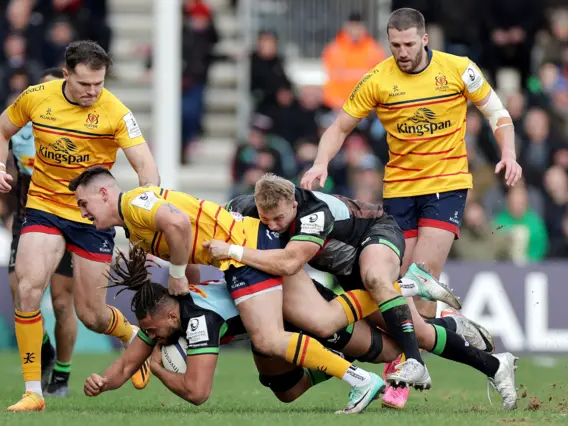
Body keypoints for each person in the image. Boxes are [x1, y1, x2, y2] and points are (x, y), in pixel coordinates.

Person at [300, 7, 522, 409]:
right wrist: (321, 162)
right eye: (394, 45)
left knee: (416, 281)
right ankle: (475, 346)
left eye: (407, 44)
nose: (401, 52)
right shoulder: (378, 78)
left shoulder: (458, 69)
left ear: (424, 39)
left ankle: (402, 381)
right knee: (401, 300)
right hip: (399, 192)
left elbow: (498, 113)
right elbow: (339, 127)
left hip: (446, 186)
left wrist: (508, 152)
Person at [69, 166, 396, 413]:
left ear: (103, 194)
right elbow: (128, 363)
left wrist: (178, 276)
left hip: (243, 247)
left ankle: (360, 380)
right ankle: (398, 291)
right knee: (286, 385)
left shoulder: (136, 203)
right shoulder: (138, 236)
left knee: (272, 337)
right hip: (241, 251)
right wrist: (104, 383)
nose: (83, 212)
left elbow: (179, 224)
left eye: (84, 203)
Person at [208, 174, 516, 410]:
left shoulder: (313, 214)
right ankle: (492, 362)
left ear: (293, 204)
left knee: (375, 278)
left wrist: (233, 251)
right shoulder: (242, 208)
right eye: (267, 220)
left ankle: (415, 349)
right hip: (347, 272)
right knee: (418, 333)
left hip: (377, 234)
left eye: (279, 219)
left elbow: (289, 263)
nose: (273, 226)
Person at [0, 41, 160, 412]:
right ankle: (34, 391)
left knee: (91, 315)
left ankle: (131, 335)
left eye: (99, 83)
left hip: (92, 216)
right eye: (85, 84)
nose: (93, 92)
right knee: (28, 290)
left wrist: (145, 213)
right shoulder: (36, 97)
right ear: (66, 74)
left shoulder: (115, 111)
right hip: (44, 206)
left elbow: (146, 166)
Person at [84, 244, 403, 410]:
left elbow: (197, 393)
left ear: (168, 317)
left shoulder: (198, 321)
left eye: (151, 331)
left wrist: (159, 369)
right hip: (275, 328)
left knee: (389, 348)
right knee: (288, 392)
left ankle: (405, 289)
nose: (150, 338)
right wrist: (103, 382)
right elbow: (127, 364)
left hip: (298, 310)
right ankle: (337, 360)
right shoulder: (165, 319)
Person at [0, 68, 77, 397]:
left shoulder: (77, 129)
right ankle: (43, 349)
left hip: (70, 221)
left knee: (63, 304)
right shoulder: (19, 127)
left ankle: (61, 374)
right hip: (29, 219)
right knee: (20, 294)